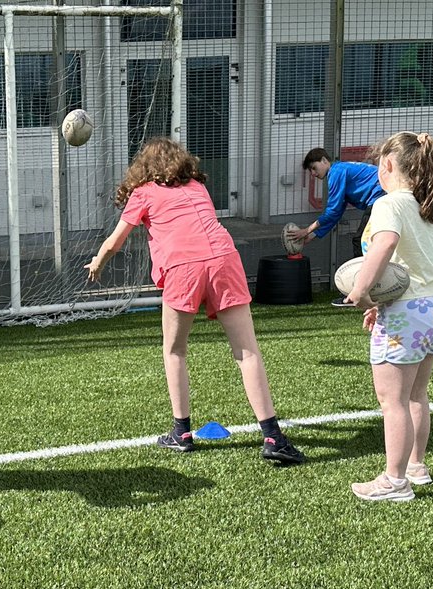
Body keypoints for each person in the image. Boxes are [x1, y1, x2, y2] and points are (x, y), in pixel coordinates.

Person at [85, 138, 304, 465]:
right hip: (224, 259)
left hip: (183, 267)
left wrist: (98, 263)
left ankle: (181, 433)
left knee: (174, 350)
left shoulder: (143, 192)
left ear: (142, 167)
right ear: (181, 162)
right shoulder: (196, 187)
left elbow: (115, 241)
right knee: (247, 351)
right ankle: (273, 436)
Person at [345, 131, 433, 502]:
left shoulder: (389, 204)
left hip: (409, 312)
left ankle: (394, 481)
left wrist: (359, 291)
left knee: (393, 401)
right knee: (416, 394)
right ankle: (415, 467)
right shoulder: (429, 208)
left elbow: (386, 246)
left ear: (387, 165)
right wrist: (378, 303)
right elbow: (409, 264)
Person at [293, 148, 388, 306]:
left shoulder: (336, 172)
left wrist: (306, 230)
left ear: (324, 161)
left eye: (314, 168)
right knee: (369, 242)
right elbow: (336, 213)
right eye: (310, 171)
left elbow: (332, 211)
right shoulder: (339, 170)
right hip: (383, 196)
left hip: (380, 198)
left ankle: (360, 291)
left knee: (360, 241)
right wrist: (312, 236)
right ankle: (369, 288)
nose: (313, 174)